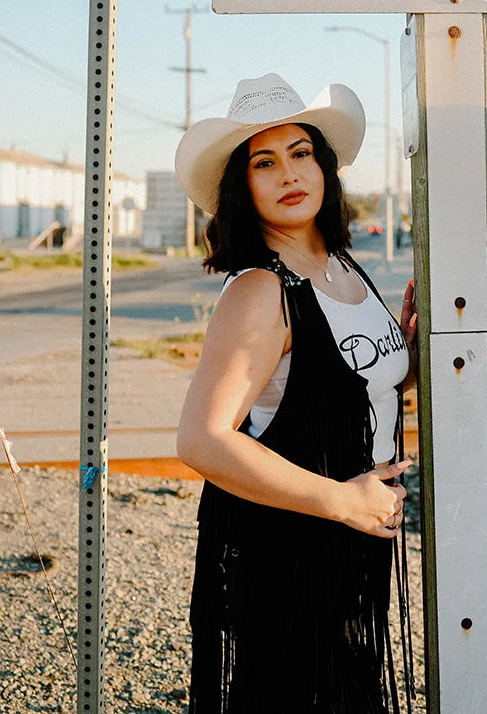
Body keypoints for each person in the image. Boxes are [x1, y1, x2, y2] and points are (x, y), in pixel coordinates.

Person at [174, 73, 417, 713]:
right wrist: (341, 500)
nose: (288, 173)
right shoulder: (260, 289)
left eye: (301, 153)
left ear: (325, 167)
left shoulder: (342, 266)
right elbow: (202, 437)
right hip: (292, 545)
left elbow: (332, 386)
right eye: (265, 161)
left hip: (351, 539)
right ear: (242, 188)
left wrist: (407, 360)